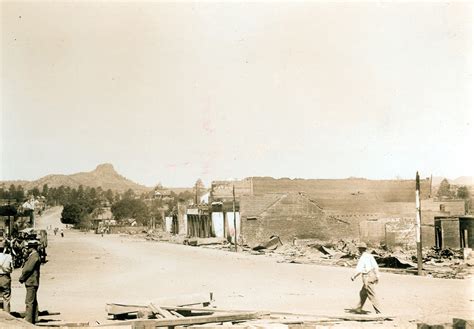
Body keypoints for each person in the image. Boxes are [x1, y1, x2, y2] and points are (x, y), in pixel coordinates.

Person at [350, 242, 381, 314]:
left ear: (360, 249)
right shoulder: (370, 256)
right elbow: (376, 266)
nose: (359, 250)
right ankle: (358, 308)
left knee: (371, 294)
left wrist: (354, 276)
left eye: (359, 249)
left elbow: (359, 269)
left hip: (367, 277)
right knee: (363, 293)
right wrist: (377, 276)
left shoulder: (363, 257)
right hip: (372, 275)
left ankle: (379, 311)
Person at [19, 240, 41, 324]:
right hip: (33, 280)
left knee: (29, 301)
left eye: (28, 248)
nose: (27, 249)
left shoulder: (34, 256)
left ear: (32, 248)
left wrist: (22, 277)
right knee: (33, 300)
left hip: (31, 281)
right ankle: (34, 318)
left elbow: (28, 269)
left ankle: (28, 320)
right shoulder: (34, 255)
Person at [0, 242, 13, 313]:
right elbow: (11, 268)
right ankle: (7, 314)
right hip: (5, 277)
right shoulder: (8, 256)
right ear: (4, 248)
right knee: (6, 297)